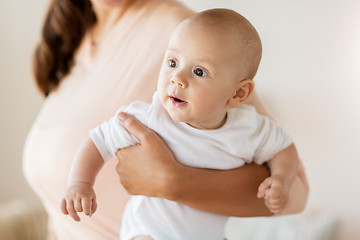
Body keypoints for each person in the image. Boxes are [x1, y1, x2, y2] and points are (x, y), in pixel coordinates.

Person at [24, 0, 309, 239]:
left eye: (198, 72)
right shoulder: (70, 33)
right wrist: (79, 182)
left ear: (239, 92)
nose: (178, 76)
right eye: (171, 64)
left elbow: (295, 190)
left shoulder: (190, 32)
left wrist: (174, 182)